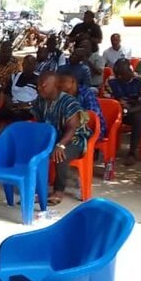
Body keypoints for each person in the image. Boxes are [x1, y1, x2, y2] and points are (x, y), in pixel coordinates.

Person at [32, 72, 92, 205]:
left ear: (55, 86)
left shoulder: (69, 102)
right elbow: (39, 123)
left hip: (74, 139)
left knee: (61, 155)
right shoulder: (40, 100)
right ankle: (36, 188)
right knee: (32, 151)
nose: (40, 88)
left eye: (44, 85)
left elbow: (72, 128)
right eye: (38, 85)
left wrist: (61, 145)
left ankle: (58, 191)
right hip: (52, 137)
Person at [105, 58, 141, 166]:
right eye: (117, 74)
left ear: (130, 71)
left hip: (134, 111)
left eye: (122, 74)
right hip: (117, 110)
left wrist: (128, 110)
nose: (119, 77)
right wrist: (119, 108)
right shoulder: (111, 80)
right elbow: (108, 100)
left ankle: (132, 152)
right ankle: (102, 148)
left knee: (139, 117)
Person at [0, 55, 40, 139]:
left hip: (27, 109)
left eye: (31, 64)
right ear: (22, 65)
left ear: (35, 65)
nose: (28, 65)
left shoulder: (38, 79)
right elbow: (7, 92)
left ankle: (10, 144)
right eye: (26, 63)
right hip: (13, 106)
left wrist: (27, 104)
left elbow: (40, 98)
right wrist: (9, 102)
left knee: (15, 121)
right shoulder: (15, 76)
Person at [58, 72, 106, 140]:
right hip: (71, 129)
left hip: (93, 129)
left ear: (73, 82)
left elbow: (92, 118)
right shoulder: (62, 95)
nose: (61, 85)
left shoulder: (87, 93)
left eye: (63, 81)